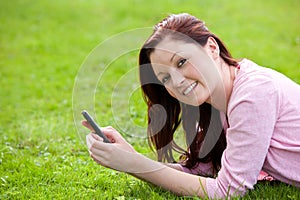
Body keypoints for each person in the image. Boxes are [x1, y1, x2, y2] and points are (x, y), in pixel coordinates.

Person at [83, 13, 300, 198]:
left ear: (212, 47)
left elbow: (227, 191)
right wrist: (131, 158)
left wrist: (133, 164)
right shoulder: (217, 102)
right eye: (165, 78)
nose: (177, 82)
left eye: (181, 62)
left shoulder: (252, 94)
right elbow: (199, 172)